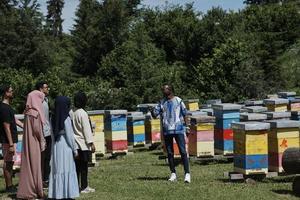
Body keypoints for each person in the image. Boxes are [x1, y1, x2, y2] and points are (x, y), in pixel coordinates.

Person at [150, 84, 191, 183]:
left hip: (179, 129)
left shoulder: (179, 100)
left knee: (183, 152)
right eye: (163, 89)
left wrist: (187, 127)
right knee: (170, 153)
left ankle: (187, 174)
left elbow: (185, 114)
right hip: (167, 131)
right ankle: (173, 174)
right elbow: (155, 115)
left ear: (170, 90)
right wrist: (151, 111)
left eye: (165, 89)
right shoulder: (161, 102)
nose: (163, 90)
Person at [48, 96, 79, 199]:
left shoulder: (52, 117)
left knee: (58, 169)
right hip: (65, 146)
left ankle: (58, 193)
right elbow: (70, 136)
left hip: (56, 145)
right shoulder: (66, 118)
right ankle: (67, 194)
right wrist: (75, 149)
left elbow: (52, 134)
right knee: (67, 168)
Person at [17, 90, 46, 199]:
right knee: (36, 166)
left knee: (27, 166)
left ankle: (25, 191)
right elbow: (38, 131)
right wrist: (43, 141)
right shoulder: (35, 114)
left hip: (27, 143)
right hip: (34, 142)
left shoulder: (27, 112)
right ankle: (37, 190)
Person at [70, 91, 96, 194]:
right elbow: (86, 130)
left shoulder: (73, 112)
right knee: (84, 167)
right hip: (83, 145)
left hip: (75, 144)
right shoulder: (83, 113)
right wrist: (91, 143)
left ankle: (76, 186)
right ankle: (84, 186)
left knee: (76, 168)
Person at [0, 85, 23, 192]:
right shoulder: (4, 108)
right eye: (11, 91)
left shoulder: (8, 107)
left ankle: (10, 185)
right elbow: (6, 127)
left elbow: (15, 120)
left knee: (10, 162)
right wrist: (10, 144)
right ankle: (9, 187)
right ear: (5, 93)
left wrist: (27, 127)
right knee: (8, 163)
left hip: (11, 140)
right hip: (7, 141)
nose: (12, 92)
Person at [36, 81, 52, 187]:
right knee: (43, 157)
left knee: (48, 156)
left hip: (48, 131)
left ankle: (46, 178)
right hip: (42, 132)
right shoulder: (38, 101)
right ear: (41, 89)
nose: (48, 89)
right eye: (46, 87)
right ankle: (42, 179)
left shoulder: (46, 100)